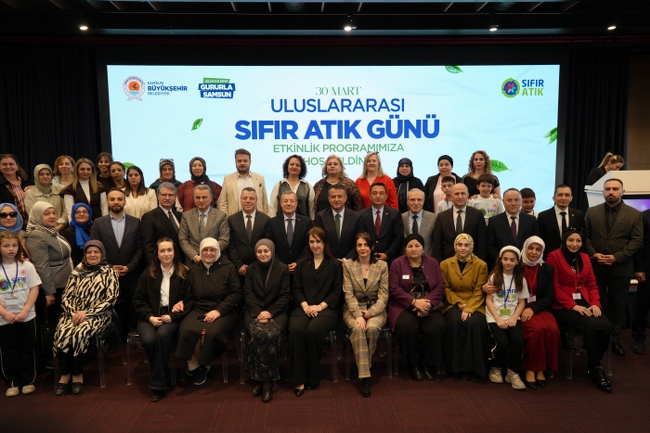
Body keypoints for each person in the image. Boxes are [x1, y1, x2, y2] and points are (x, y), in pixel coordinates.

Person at [546, 228, 613, 393]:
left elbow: (592, 284)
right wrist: (573, 306)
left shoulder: (585, 257)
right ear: (564, 241)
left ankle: (592, 364)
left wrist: (596, 304)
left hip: (586, 302)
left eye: (578, 241)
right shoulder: (553, 256)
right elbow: (554, 288)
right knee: (591, 326)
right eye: (571, 240)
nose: (574, 244)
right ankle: (597, 370)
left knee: (606, 326)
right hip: (563, 305)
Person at [53, 240, 119, 397]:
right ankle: (65, 374)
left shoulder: (109, 272)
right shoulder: (77, 271)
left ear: (102, 254)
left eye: (96, 252)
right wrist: (74, 313)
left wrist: (87, 313)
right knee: (63, 331)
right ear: (85, 254)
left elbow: (111, 299)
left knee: (80, 332)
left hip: (98, 315)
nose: (92, 255)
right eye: (89, 252)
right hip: (73, 314)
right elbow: (66, 297)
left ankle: (77, 374)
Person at [585, 178, 643, 356]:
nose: (611, 192)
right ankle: (594, 337)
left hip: (621, 267)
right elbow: (584, 236)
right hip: (596, 267)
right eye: (608, 189)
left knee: (617, 306)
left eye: (615, 189)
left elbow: (637, 240)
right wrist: (593, 253)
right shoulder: (592, 211)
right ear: (603, 191)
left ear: (622, 192)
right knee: (595, 303)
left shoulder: (634, 214)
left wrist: (617, 257)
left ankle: (614, 339)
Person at [175, 237, 241, 386]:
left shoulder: (228, 267)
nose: (209, 253)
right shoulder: (193, 269)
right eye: (205, 250)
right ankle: (195, 364)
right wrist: (181, 301)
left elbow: (236, 294)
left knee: (210, 333)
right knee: (186, 329)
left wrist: (218, 311)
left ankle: (204, 365)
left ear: (218, 251)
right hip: (198, 308)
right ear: (200, 251)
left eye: (212, 250)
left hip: (223, 310)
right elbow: (187, 293)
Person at [132, 238, 192, 402]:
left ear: (175, 252)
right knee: (149, 340)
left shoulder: (184, 273)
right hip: (149, 316)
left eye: (169, 250)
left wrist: (173, 315)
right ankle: (164, 371)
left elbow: (190, 300)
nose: (166, 254)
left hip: (172, 317)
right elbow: (138, 301)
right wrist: (150, 317)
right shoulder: (148, 273)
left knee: (162, 336)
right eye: (162, 251)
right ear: (157, 254)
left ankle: (157, 385)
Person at [289, 227, 342, 396]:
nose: (315, 245)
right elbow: (296, 289)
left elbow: (337, 291)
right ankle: (298, 379)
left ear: (325, 243)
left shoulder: (334, 264)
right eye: (312, 241)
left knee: (314, 330)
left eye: (318, 241)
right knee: (295, 330)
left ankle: (313, 376)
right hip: (303, 307)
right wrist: (305, 306)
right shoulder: (301, 263)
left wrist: (319, 307)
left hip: (326, 309)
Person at [388, 234, 445, 381]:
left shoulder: (433, 262)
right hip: (403, 306)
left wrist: (427, 303)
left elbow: (440, 286)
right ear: (405, 249)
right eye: (410, 246)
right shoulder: (396, 264)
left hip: (428, 305)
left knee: (436, 327)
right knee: (407, 327)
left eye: (417, 246)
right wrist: (414, 302)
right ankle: (412, 364)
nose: (414, 249)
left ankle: (426, 364)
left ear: (423, 248)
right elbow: (394, 288)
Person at [243, 239, 290, 402]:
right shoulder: (251, 269)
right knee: (257, 332)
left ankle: (265, 381)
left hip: (277, 312)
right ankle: (264, 379)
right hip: (254, 311)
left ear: (272, 251)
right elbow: (248, 294)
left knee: (269, 334)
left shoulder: (282, 268)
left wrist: (270, 313)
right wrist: (258, 313)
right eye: (259, 251)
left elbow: (285, 296)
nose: (262, 254)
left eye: (266, 251)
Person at [342, 233, 389, 397]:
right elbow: (348, 294)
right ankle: (365, 377)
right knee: (358, 329)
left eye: (366, 245)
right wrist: (358, 315)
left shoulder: (382, 266)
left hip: (376, 309)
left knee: (372, 329)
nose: (362, 248)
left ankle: (363, 368)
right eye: (359, 245)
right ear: (355, 248)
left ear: (372, 247)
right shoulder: (348, 265)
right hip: (353, 309)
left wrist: (370, 313)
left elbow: (384, 295)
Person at [90, 188, 143, 332]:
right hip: (107, 275)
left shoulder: (136, 222)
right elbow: (94, 251)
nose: (116, 202)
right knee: (111, 309)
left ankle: (131, 335)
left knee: (132, 308)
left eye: (119, 199)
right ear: (107, 202)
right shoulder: (98, 223)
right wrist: (110, 267)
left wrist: (129, 267)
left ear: (125, 201)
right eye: (112, 199)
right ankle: (113, 337)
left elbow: (140, 249)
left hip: (131, 275)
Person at [440, 234, 490, 381]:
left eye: (466, 245)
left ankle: (474, 368)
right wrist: (458, 302)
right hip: (453, 302)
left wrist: (469, 308)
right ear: (455, 246)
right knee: (454, 322)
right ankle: (455, 368)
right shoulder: (445, 264)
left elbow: (480, 289)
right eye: (459, 245)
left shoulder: (481, 265)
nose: (463, 248)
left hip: (475, 303)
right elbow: (445, 288)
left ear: (471, 247)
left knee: (474, 323)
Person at [0, 232, 41, 397]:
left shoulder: (27, 266)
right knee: (8, 350)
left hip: (26, 315)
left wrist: (26, 310)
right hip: (4, 318)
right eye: (6, 246)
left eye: (14, 245)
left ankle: (27, 380)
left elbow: (34, 288)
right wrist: (5, 313)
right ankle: (12, 382)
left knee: (27, 348)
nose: (11, 249)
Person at [24, 202, 74, 330]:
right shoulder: (37, 235)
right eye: (46, 214)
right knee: (55, 325)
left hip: (63, 286)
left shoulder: (50, 231)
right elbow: (41, 267)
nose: (52, 216)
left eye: (53, 213)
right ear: (37, 215)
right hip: (54, 288)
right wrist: (49, 292)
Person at [485, 246, 528, 390]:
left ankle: (513, 372)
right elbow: (489, 300)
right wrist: (498, 319)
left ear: (517, 261)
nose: (508, 262)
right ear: (500, 260)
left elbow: (521, 302)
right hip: (494, 316)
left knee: (518, 341)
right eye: (505, 259)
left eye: (512, 260)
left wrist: (514, 318)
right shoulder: (494, 276)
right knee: (502, 342)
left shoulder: (521, 279)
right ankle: (495, 368)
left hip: (512, 316)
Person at [519, 236, 559, 389]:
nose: (534, 252)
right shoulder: (516, 266)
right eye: (530, 248)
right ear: (525, 248)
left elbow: (549, 296)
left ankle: (542, 368)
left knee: (552, 329)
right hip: (519, 307)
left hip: (539, 308)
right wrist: (524, 308)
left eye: (538, 249)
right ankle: (531, 367)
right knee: (536, 330)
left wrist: (533, 309)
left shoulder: (547, 269)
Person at [433, 183, 488, 263]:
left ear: (468, 195)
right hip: (448, 262)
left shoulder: (477, 215)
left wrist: (480, 263)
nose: (460, 197)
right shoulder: (442, 216)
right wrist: (438, 264)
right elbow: (437, 244)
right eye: (456, 194)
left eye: (463, 193)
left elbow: (482, 242)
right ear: (451, 196)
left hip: (472, 262)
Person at [228, 187, 271, 286]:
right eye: (245, 198)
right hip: (238, 269)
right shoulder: (232, 220)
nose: (248, 201)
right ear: (240, 199)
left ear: (256, 200)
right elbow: (230, 245)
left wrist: (258, 265)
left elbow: (268, 244)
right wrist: (239, 265)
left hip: (260, 268)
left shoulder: (266, 220)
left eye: (251, 198)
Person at [487, 188, 539, 266]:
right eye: (509, 200)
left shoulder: (531, 220)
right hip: (501, 265)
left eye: (516, 200)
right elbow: (490, 246)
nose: (513, 203)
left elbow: (535, 243)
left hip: (524, 265)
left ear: (521, 201)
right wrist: (502, 261)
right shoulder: (494, 221)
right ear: (503, 201)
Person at [178, 185, 229, 264]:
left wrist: (208, 253)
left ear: (210, 198)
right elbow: (183, 239)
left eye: (204, 197)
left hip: (215, 261)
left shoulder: (221, 216)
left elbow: (224, 240)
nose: (201, 200)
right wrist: (195, 256)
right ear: (193, 198)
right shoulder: (186, 216)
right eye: (198, 197)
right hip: (193, 262)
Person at [265, 191, 311, 277]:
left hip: (301, 269)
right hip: (278, 270)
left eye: (292, 201)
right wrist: (282, 265)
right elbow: (270, 246)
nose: (288, 204)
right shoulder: (272, 223)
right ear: (281, 203)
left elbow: (308, 245)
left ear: (296, 203)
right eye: (285, 201)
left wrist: (298, 263)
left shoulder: (306, 222)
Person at [314, 184, 364, 260]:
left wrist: (346, 259)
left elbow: (360, 242)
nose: (336, 199)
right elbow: (319, 241)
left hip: (350, 261)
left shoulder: (356, 217)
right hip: (327, 261)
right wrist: (331, 260)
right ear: (329, 199)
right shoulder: (321, 217)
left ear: (345, 198)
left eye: (340, 196)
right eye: (333, 197)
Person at [359, 183, 404, 265]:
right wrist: (369, 254)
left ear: (386, 196)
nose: (378, 196)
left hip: (390, 260)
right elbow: (360, 237)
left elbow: (398, 237)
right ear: (369, 196)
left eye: (381, 193)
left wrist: (387, 254)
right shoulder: (361, 215)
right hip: (367, 259)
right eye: (374, 193)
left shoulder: (395, 214)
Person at [537, 184, 585, 259]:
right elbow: (540, 240)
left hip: (573, 258)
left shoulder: (578, 215)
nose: (563, 198)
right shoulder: (543, 216)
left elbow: (582, 237)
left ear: (571, 198)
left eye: (567, 195)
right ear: (554, 198)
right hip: (550, 258)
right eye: (560, 195)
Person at [140, 182, 183, 267]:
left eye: (171, 195)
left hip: (179, 263)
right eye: (164, 195)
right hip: (160, 264)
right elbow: (148, 245)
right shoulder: (149, 217)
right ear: (158, 196)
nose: (167, 198)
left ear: (175, 197)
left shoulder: (180, 216)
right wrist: (153, 266)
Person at [219, 149, 268, 216]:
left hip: (257, 220)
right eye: (239, 161)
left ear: (250, 162)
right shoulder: (227, 179)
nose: (242, 163)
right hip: (234, 220)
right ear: (235, 162)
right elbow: (223, 203)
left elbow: (264, 202)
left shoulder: (260, 179)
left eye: (245, 161)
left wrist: (265, 219)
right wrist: (226, 220)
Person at [62, 158, 107, 224]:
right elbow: (70, 211)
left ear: (92, 171)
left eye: (88, 169)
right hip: (79, 225)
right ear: (77, 171)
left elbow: (104, 208)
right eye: (82, 169)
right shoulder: (70, 189)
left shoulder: (99, 187)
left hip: (98, 223)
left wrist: (105, 224)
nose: (86, 172)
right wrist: (74, 226)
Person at [269, 154, 315, 220]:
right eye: (291, 164)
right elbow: (273, 208)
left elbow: (311, 209)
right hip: (281, 223)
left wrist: (312, 222)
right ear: (287, 166)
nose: (294, 167)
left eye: (297, 165)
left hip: (303, 224)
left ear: (301, 168)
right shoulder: (279, 185)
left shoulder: (308, 186)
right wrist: (273, 223)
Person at [24, 164, 66, 232]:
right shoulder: (30, 194)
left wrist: (60, 225)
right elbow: (34, 215)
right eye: (41, 174)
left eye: (48, 174)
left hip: (61, 230)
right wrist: (49, 230)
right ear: (36, 176)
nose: (45, 176)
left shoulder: (60, 190)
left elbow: (66, 210)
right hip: (40, 232)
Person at [632, 209, 650, 354]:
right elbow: (638, 245)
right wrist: (638, 269)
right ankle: (638, 338)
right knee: (643, 305)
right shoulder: (644, 216)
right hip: (648, 270)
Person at [401, 189, 436, 257]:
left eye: (419, 200)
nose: (416, 203)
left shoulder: (433, 218)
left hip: (427, 258)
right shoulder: (401, 218)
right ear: (407, 201)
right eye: (412, 200)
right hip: (406, 259)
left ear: (424, 201)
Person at [0, 154, 30, 222]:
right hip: (8, 222)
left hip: (29, 222)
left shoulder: (27, 182)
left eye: (11, 164)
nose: (8, 167)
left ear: (17, 166)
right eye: (4, 164)